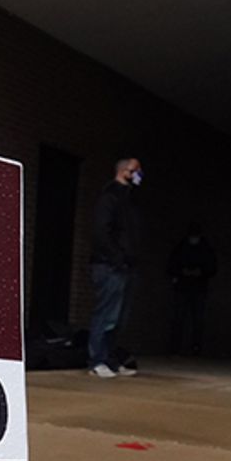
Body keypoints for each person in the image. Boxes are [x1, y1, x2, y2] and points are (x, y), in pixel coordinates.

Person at [88, 157, 142, 378]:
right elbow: (102, 231)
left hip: (125, 265)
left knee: (119, 317)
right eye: (135, 170)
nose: (139, 175)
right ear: (124, 172)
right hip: (110, 265)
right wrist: (116, 257)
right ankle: (97, 360)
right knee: (106, 314)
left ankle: (109, 358)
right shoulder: (110, 197)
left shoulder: (129, 200)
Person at [167, 222, 217, 354]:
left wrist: (200, 272)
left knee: (198, 319)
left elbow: (212, 268)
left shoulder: (206, 249)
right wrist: (182, 272)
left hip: (199, 288)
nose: (194, 238)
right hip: (182, 288)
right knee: (178, 318)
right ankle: (175, 348)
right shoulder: (181, 248)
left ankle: (196, 347)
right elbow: (171, 266)